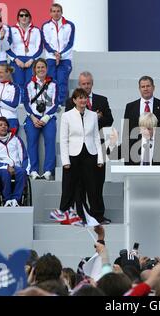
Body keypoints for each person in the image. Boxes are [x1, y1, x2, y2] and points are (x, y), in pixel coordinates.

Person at [65, 71, 113, 215]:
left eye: (88, 83)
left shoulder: (102, 100)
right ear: (79, 85)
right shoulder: (70, 101)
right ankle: (82, 214)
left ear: (92, 83)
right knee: (80, 184)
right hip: (78, 148)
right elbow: (70, 122)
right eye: (83, 84)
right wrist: (91, 117)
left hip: (98, 145)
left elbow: (109, 120)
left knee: (98, 182)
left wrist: (96, 118)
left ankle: (98, 214)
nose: (86, 86)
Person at [54, 88, 105, 224]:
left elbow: (95, 137)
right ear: (74, 100)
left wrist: (100, 158)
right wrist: (65, 160)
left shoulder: (93, 115)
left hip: (90, 153)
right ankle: (65, 216)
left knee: (92, 186)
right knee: (69, 186)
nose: (83, 100)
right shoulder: (67, 116)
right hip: (73, 155)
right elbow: (63, 139)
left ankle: (95, 216)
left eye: (84, 97)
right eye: (80, 98)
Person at [24, 58, 58, 180]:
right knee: (31, 142)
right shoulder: (29, 84)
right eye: (38, 67)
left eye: (42, 67)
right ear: (34, 69)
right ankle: (33, 170)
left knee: (50, 141)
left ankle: (48, 170)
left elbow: (56, 103)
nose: (40, 69)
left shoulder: (53, 84)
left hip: (48, 117)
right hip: (33, 117)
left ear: (46, 68)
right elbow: (26, 103)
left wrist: (46, 117)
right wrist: (33, 118)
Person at [123, 76, 160, 160]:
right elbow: (126, 130)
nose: (145, 89)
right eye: (143, 87)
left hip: (157, 152)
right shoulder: (130, 106)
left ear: (153, 87)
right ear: (139, 88)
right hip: (135, 152)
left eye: (148, 86)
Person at [0, 117, 28, 207]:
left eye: (5, 125)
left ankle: (16, 200)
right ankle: (7, 200)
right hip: (0, 168)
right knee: (5, 173)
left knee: (22, 172)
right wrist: (6, 166)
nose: (3, 127)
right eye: (0, 125)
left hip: (16, 166)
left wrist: (23, 168)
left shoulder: (16, 139)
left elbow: (23, 156)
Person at [42, 3, 75, 104]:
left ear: (62, 12)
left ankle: (62, 104)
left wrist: (60, 54)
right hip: (51, 58)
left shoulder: (69, 25)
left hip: (65, 58)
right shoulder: (46, 26)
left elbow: (70, 43)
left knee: (62, 81)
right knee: (50, 81)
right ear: (50, 13)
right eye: (54, 11)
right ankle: (51, 104)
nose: (56, 13)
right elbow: (45, 43)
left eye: (58, 11)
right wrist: (54, 53)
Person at [7, 8, 43, 96]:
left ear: (30, 17)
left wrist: (32, 60)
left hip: (31, 60)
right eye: (21, 15)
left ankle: (29, 103)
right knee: (18, 83)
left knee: (30, 83)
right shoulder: (12, 30)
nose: (24, 17)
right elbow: (7, 48)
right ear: (18, 17)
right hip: (17, 60)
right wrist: (16, 59)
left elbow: (40, 48)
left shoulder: (36, 30)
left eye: (26, 15)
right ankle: (19, 103)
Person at [0, 63, 20, 133]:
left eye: (0, 72)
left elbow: (14, 106)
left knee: (10, 142)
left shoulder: (15, 87)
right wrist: (7, 103)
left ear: (8, 72)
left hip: (11, 118)